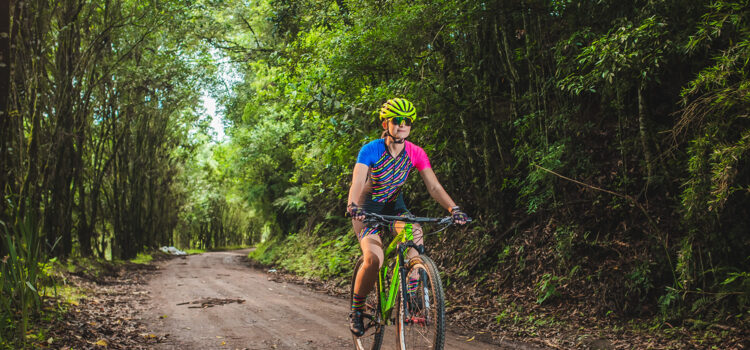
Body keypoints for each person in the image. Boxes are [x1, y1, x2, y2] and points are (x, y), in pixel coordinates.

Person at [346, 98, 469, 336]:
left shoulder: (415, 153)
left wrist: (454, 209)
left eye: (407, 121)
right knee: (374, 259)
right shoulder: (370, 150)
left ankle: (410, 294)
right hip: (367, 207)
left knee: (414, 235)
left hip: (394, 206)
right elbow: (357, 181)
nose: (402, 125)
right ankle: (357, 310)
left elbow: (434, 187)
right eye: (397, 120)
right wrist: (353, 205)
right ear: (386, 123)